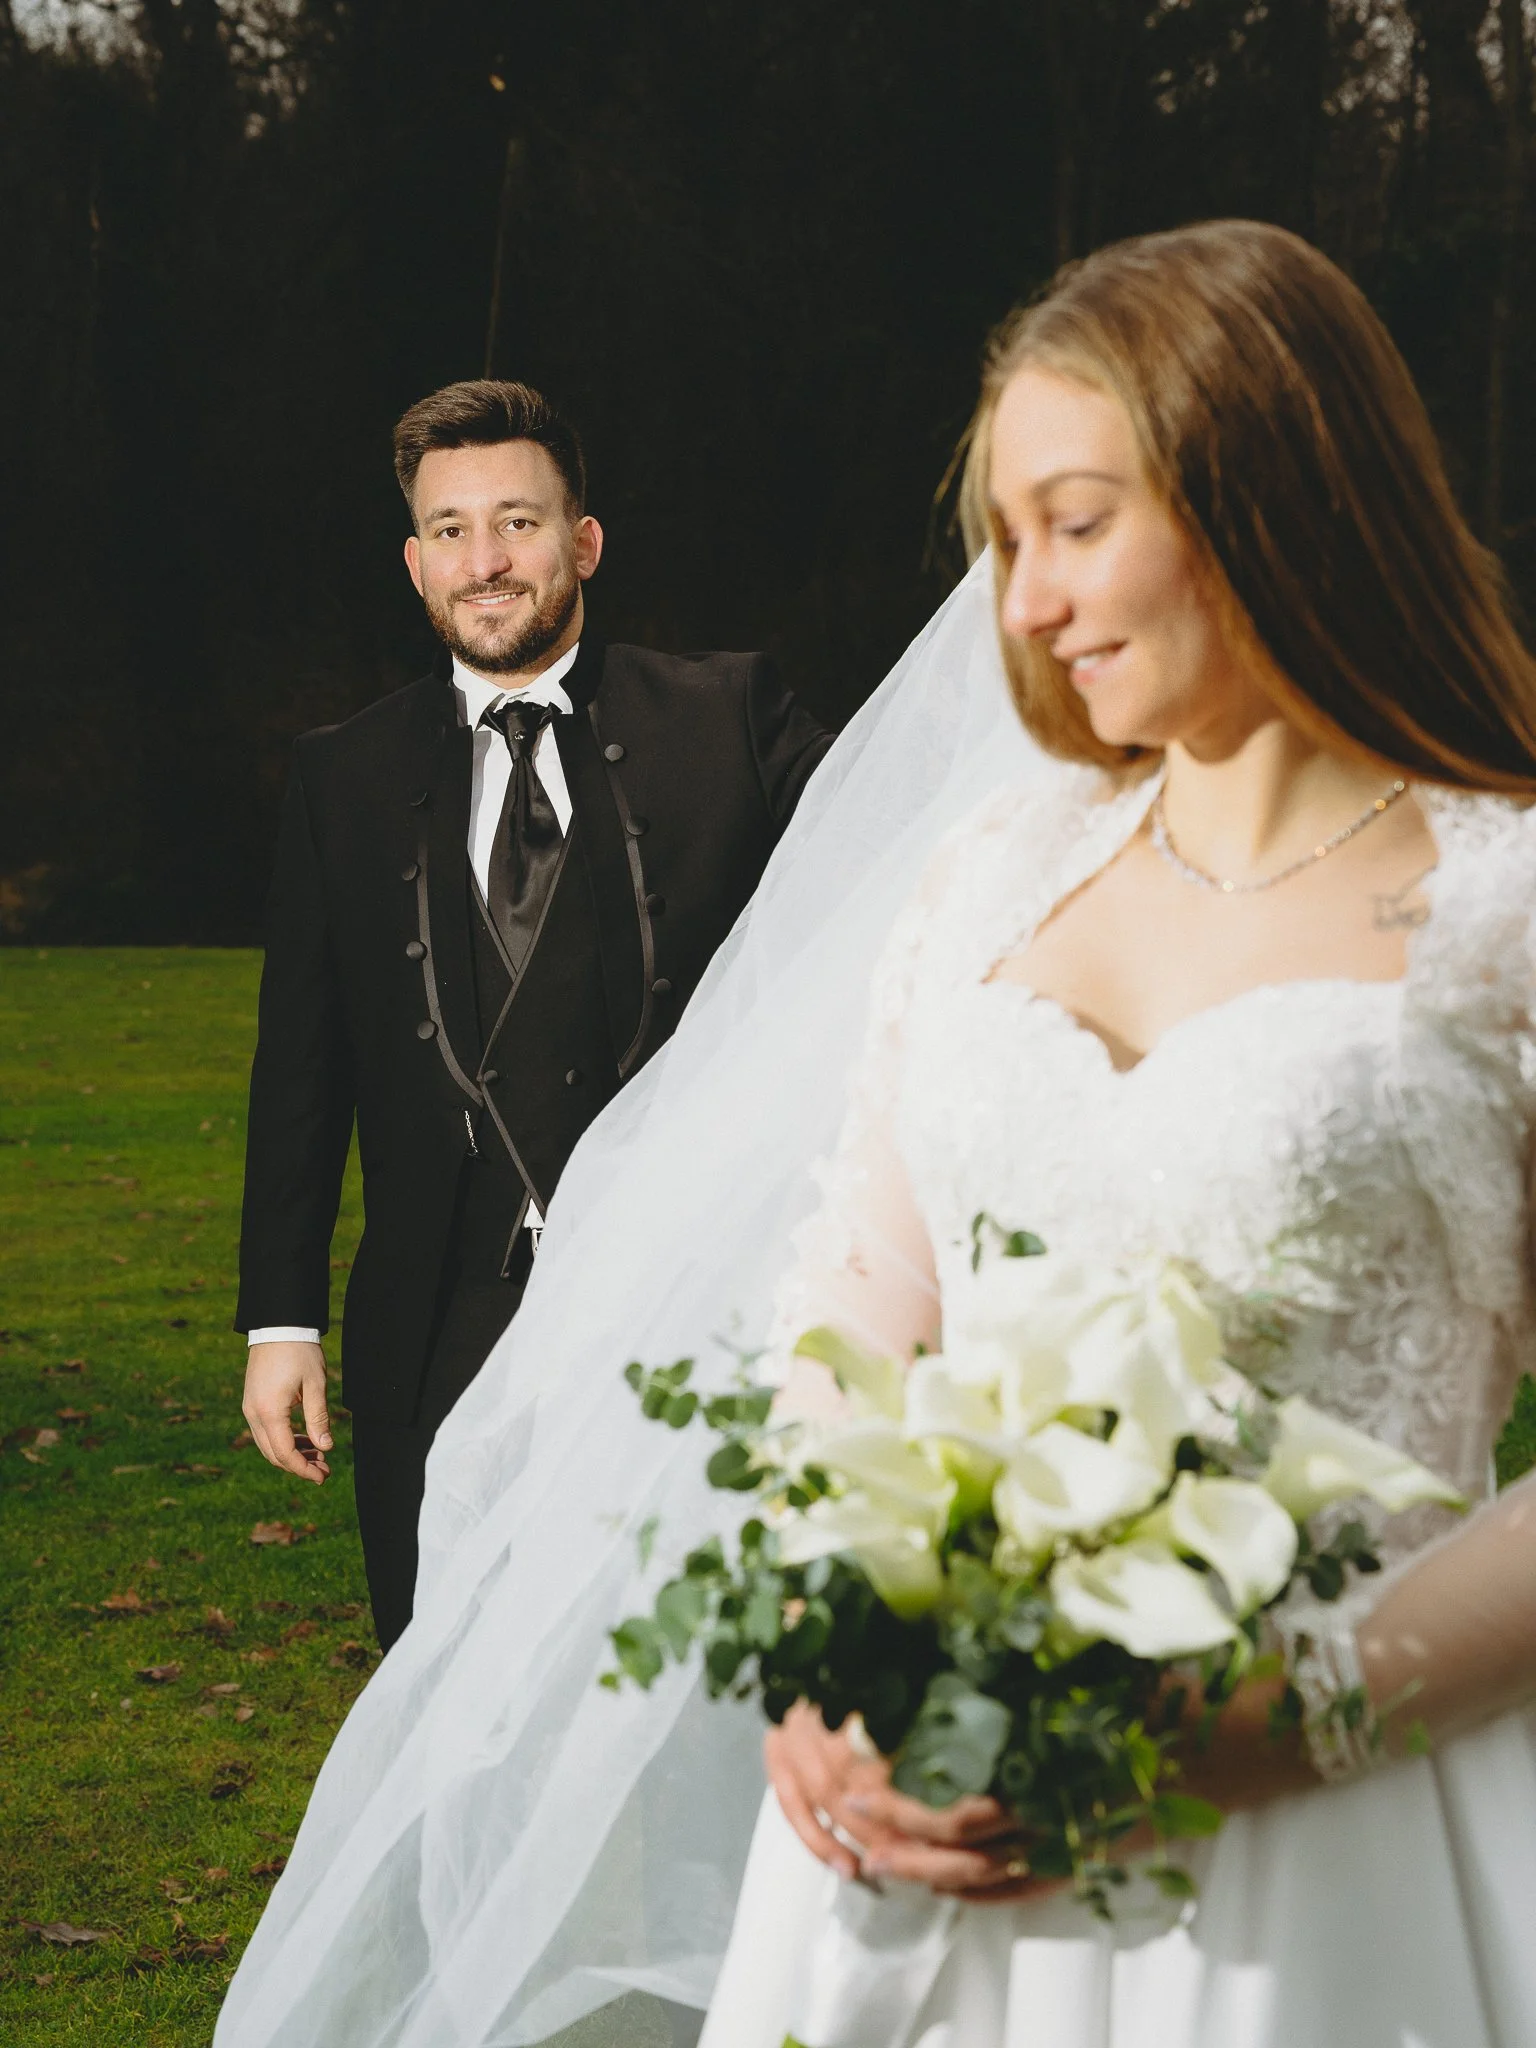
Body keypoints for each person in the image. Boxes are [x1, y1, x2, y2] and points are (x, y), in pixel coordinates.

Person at [214, 225, 1536, 2048]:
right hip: (918, 1852)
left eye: (1077, 524)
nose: (1028, 604)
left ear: (1269, 486)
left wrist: (1275, 1712)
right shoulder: (988, 876)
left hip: (1356, 1847)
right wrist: (839, 1643)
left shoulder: (1504, 900)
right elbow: (852, 1290)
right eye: (1006, 543)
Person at [234, 378, 831, 1649]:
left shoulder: (727, 716)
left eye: (517, 521)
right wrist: (280, 1318)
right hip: (434, 1309)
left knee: (664, 1677)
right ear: (413, 561)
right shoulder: (342, 773)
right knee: (439, 1669)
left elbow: (887, 897)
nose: (486, 561)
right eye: (450, 530)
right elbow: (301, 1064)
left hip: (684, 1302)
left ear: (584, 541)